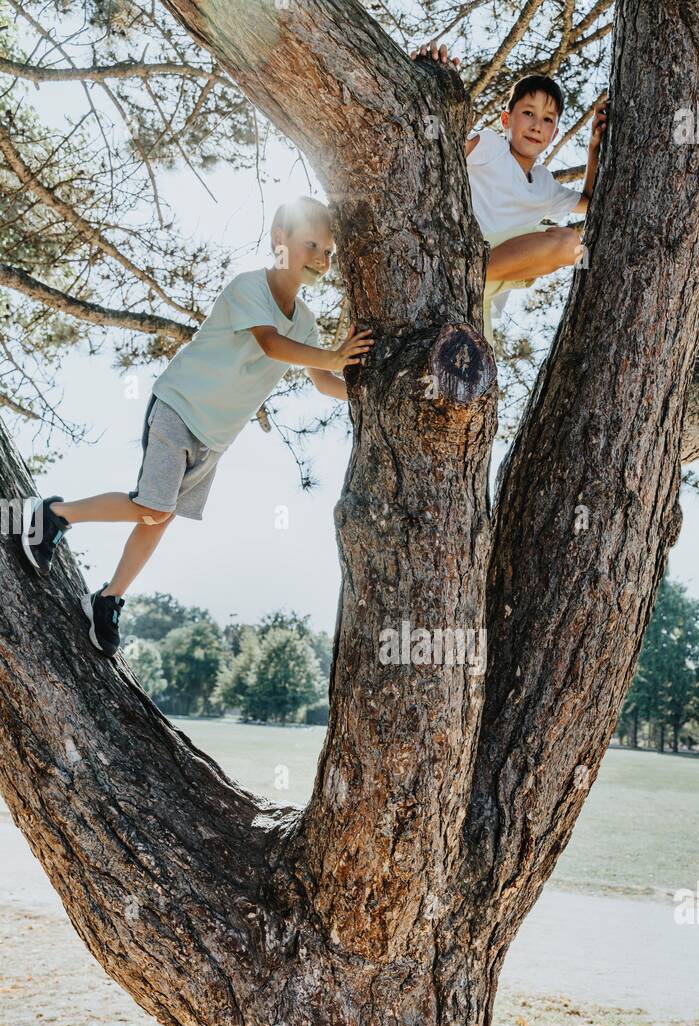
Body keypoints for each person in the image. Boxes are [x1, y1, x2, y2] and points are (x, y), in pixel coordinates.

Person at [21, 196, 372, 656]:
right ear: (279, 242)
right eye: (311, 245)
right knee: (151, 506)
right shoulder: (249, 287)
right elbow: (269, 344)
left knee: (160, 517)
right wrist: (329, 354)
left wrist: (371, 394)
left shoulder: (305, 321)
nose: (321, 260)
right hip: (179, 406)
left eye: (328, 252)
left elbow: (324, 382)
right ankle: (54, 514)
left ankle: (107, 598)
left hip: (215, 437)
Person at [411, 43, 607, 338]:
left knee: (570, 245)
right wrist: (425, 80)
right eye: (528, 113)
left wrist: (595, 148)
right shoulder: (490, 146)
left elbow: (592, 203)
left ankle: (473, 279)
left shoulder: (545, 184)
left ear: (553, 134)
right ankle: (465, 273)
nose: (537, 125)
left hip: (487, 285)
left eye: (548, 119)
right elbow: (437, 146)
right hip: (458, 252)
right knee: (568, 241)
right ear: (506, 119)